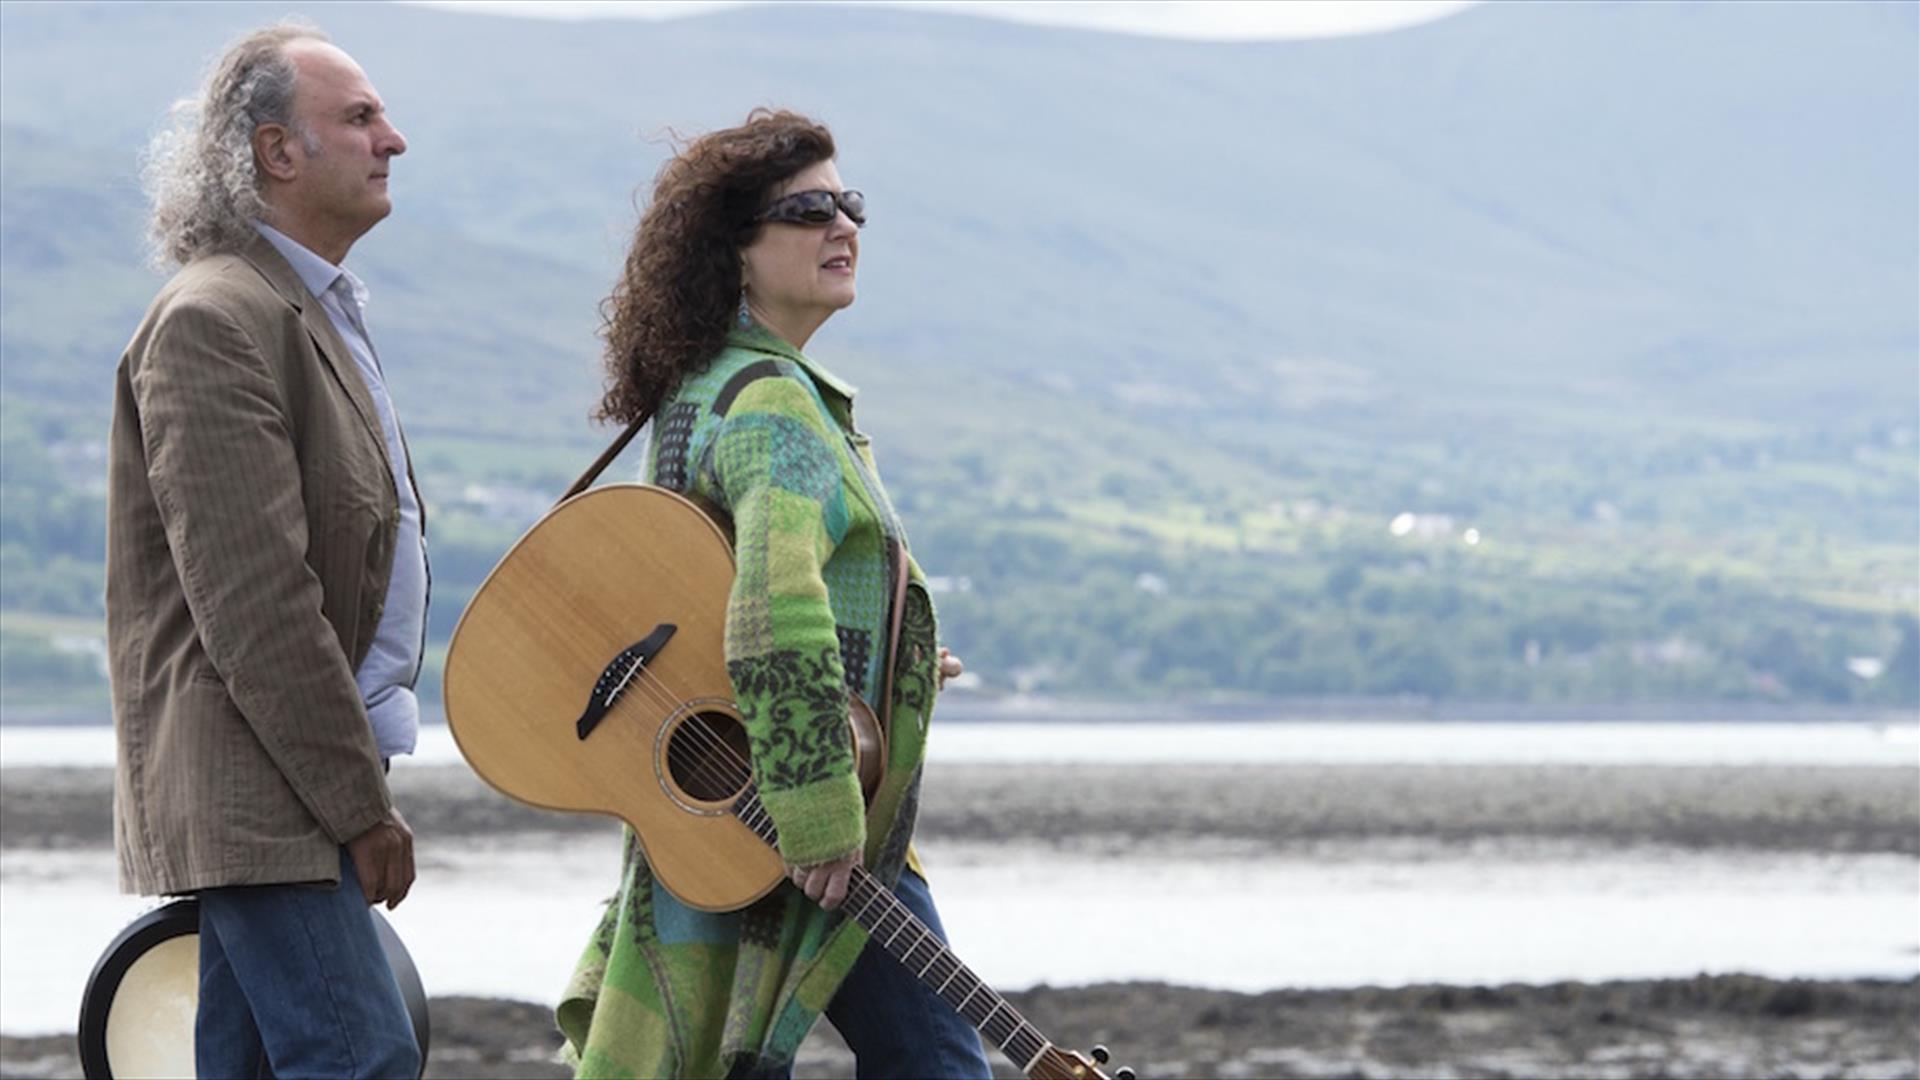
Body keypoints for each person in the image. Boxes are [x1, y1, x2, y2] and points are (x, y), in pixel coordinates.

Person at [557, 109, 989, 1079]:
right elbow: (770, 608)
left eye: (850, 205)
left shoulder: (699, 389)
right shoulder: (773, 404)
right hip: (802, 817)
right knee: (938, 1067)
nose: (844, 228)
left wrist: (897, 667)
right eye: (808, 210)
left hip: (730, 805)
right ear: (735, 253)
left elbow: (702, 599)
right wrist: (817, 813)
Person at [107, 20, 426, 1078]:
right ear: (277, 151)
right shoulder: (216, 318)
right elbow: (257, 606)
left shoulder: (306, 309)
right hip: (266, 796)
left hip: (293, 784)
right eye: (361, 117)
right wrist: (358, 805)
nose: (395, 139)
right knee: (362, 1061)